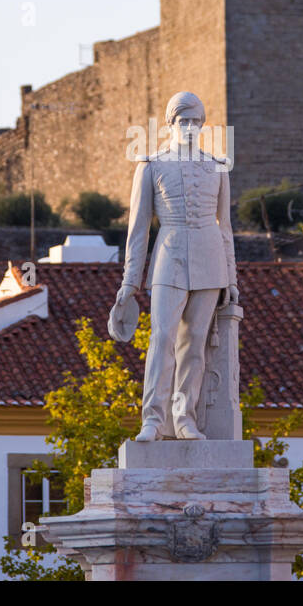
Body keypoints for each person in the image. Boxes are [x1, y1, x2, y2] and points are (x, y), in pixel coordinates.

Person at [115, 91, 238, 441]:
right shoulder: (151, 165)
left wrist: (231, 277)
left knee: (195, 342)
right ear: (170, 124)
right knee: (163, 337)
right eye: (182, 121)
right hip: (168, 254)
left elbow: (225, 227)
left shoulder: (217, 166)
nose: (188, 127)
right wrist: (130, 282)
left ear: (202, 125)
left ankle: (184, 418)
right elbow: (137, 230)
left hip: (210, 257)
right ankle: (152, 419)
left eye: (195, 122)